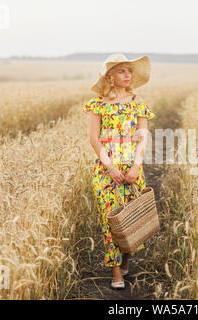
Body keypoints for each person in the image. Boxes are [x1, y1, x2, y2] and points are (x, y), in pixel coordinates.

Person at [82, 53, 155, 290]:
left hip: (133, 167)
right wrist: (110, 167)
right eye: (121, 71)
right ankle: (117, 274)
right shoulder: (98, 104)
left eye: (129, 71)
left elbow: (143, 138)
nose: (127, 75)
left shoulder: (138, 102)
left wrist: (135, 166)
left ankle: (124, 260)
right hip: (106, 170)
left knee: (130, 218)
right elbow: (94, 139)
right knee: (110, 217)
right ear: (110, 75)